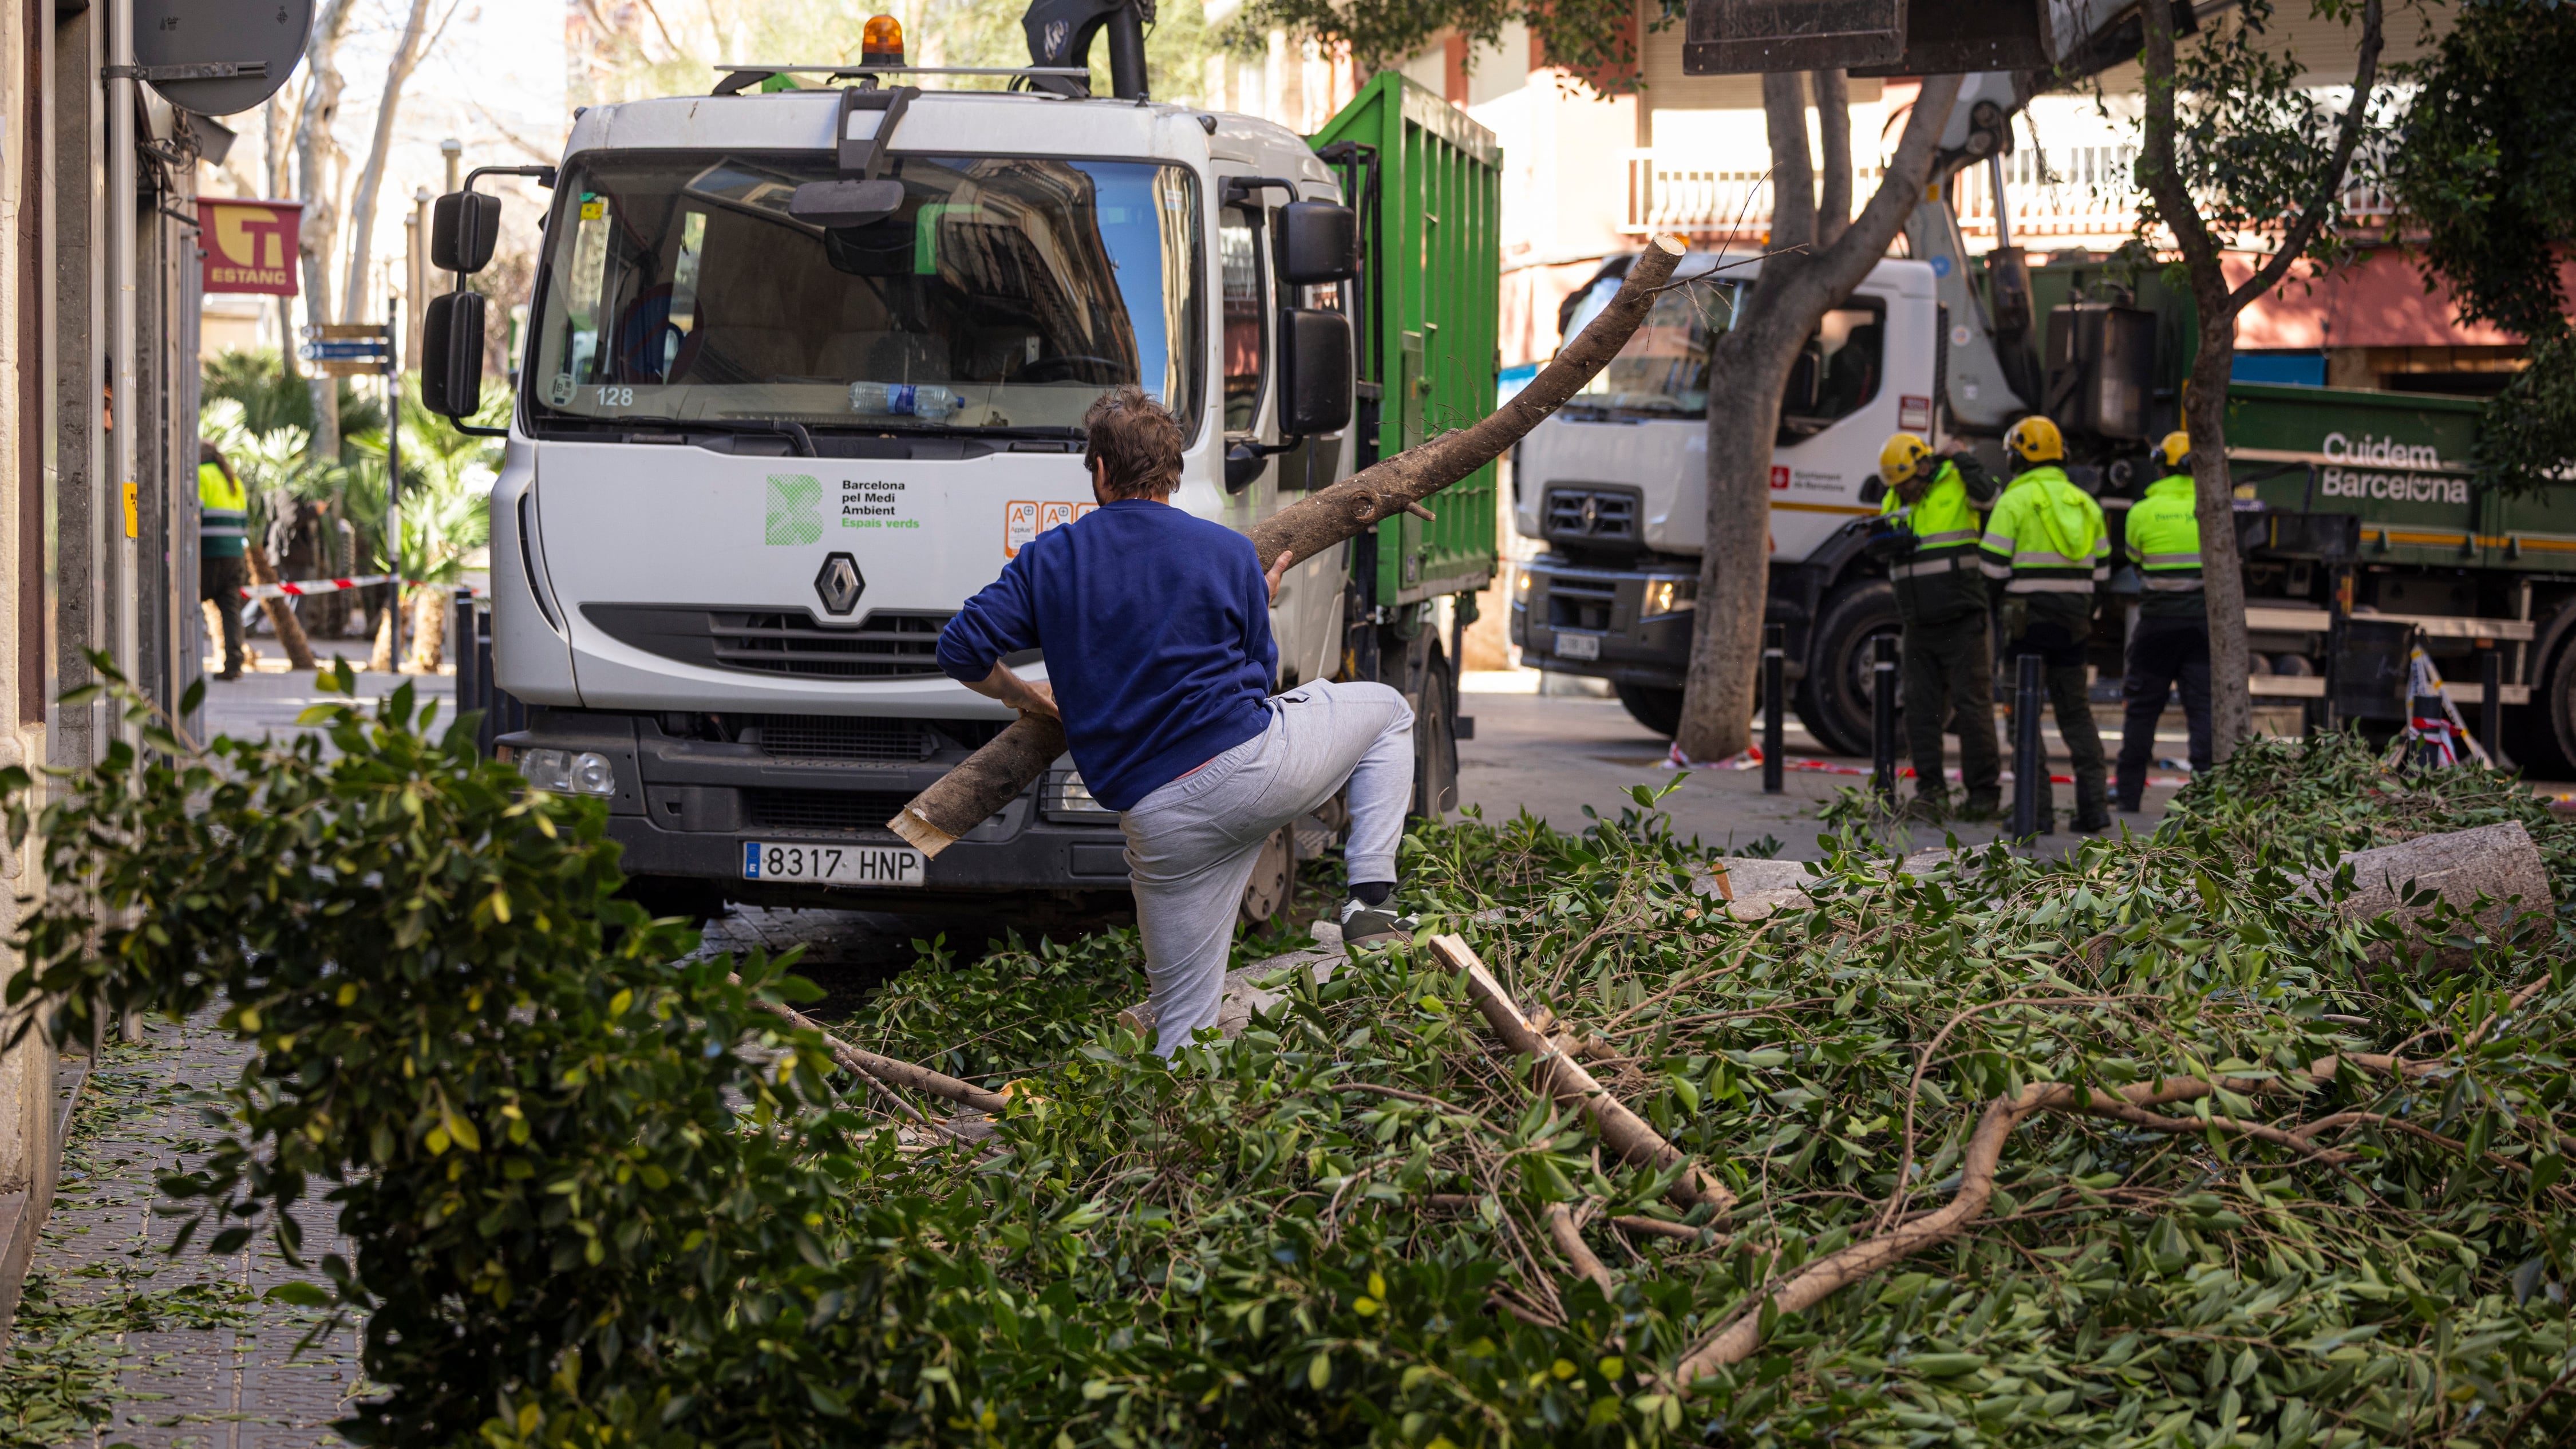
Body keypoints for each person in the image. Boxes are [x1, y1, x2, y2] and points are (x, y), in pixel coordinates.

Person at [936, 386, 1416, 1055]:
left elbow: (959, 648)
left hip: (1159, 820)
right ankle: (1369, 899)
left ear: (1101, 471)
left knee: (1181, 1028)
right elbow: (1259, 672)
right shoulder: (1227, 554)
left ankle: (1168, 1140)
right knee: (1390, 712)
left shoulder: (1052, 558)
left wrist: (1022, 694)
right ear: (1173, 472)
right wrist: (1254, 591)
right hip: (1252, 774)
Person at [1977, 415, 2112, 833]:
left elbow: (1992, 570)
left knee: (2023, 719)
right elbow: (2103, 575)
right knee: (2076, 716)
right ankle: (2094, 810)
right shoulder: (2086, 503)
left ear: (2017, 457)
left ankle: (2034, 814)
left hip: (2026, 631)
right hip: (2073, 627)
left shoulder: (2013, 501)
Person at [1871, 432, 2001, 820]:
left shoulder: (1958, 482)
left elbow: (1992, 498)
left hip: (1963, 618)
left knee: (1972, 708)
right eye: (1896, 485)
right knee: (1920, 711)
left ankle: (1982, 796)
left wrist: (1963, 458)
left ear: (1925, 468)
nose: (1903, 492)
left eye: (1907, 483)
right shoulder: (1894, 496)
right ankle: (1931, 793)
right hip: (1918, 622)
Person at [2114, 431, 2213, 811]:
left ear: (2162, 466)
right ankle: (2206, 801)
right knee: (2202, 710)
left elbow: (2138, 564)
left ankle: (2127, 798)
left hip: (2156, 624)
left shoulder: (2141, 512)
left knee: (2141, 711)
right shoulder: (2212, 507)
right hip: (2201, 627)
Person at [197, 441, 250, 680]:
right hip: (233, 556)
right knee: (230, 611)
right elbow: (243, 522)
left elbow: (193, 514)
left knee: (188, 604)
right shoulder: (234, 481)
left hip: (208, 553)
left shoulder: (200, 476)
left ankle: (186, 660)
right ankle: (234, 664)